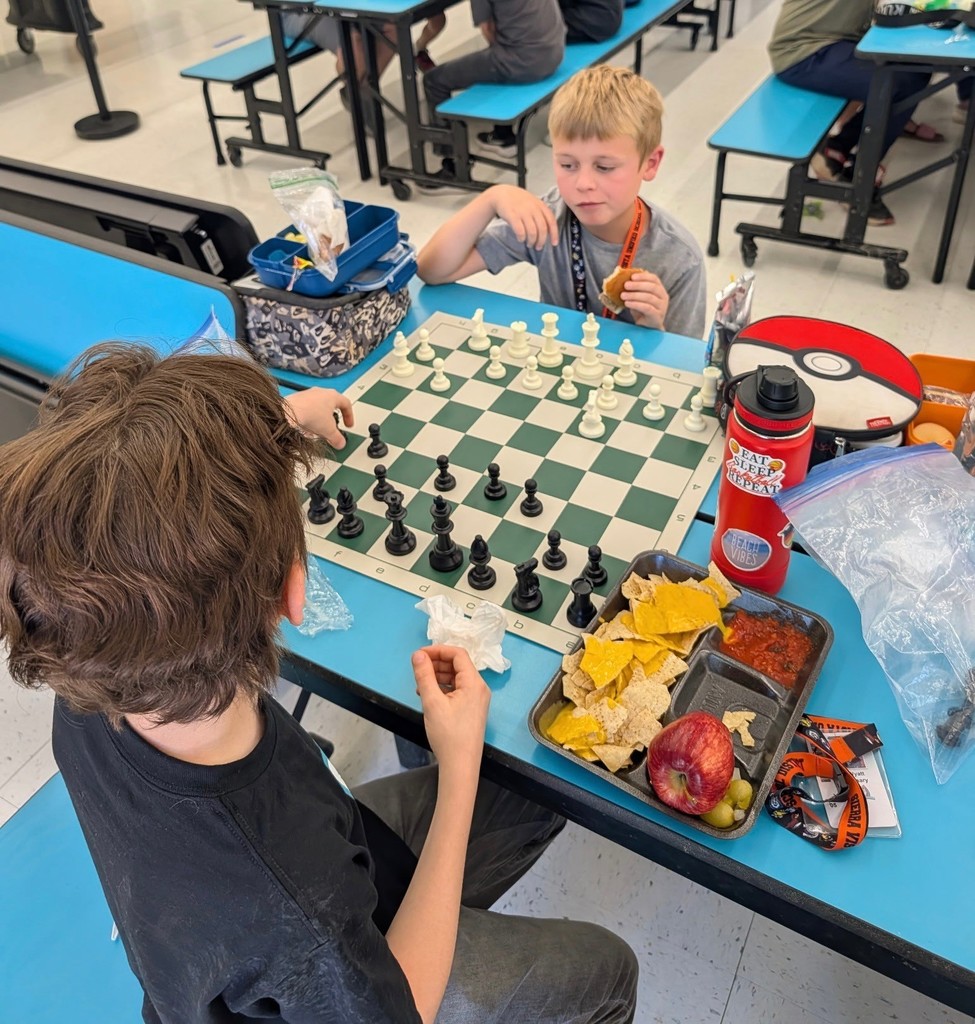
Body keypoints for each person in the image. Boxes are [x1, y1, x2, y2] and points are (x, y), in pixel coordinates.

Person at [0, 342, 638, 1024]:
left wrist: (272, 428)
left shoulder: (89, 665)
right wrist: (456, 768)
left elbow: (119, 524)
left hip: (290, 905)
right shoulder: (293, 899)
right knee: (607, 967)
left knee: (535, 798)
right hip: (353, 982)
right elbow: (398, 1009)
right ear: (293, 595)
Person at [418, 65, 707, 338]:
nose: (583, 184)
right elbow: (432, 270)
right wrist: (490, 199)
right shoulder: (548, 218)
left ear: (650, 163)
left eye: (604, 167)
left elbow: (687, 371)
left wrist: (656, 330)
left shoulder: (679, 258)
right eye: (567, 165)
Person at [768, 0, 931, 226]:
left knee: (914, 74)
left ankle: (838, 149)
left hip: (834, 42)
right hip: (804, 53)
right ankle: (858, 180)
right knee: (895, 84)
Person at [419, 0, 565, 177]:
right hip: (555, 50)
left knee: (433, 80)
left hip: (526, 61)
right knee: (494, 53)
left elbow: (488, 30)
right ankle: (500, 133)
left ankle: (454, 168)